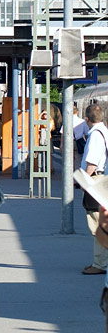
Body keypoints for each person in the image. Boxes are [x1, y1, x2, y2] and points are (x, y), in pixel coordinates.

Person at [81, 103, 108, 275]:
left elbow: (92, 162)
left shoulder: (95, 135)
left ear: (87, 119)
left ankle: (99, 264)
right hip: (102, 178)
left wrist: (83, 180)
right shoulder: (104, 131)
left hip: (95, 179)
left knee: (97, 224)